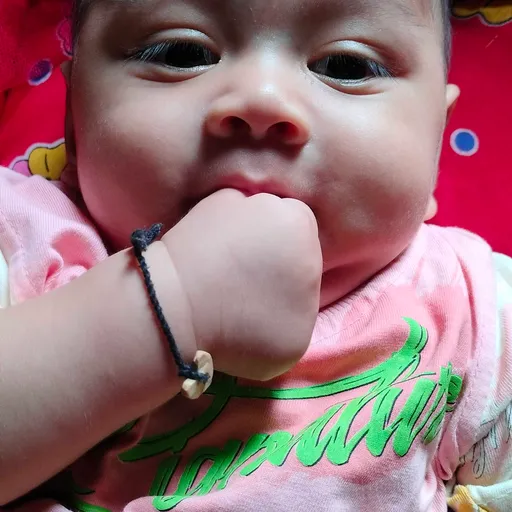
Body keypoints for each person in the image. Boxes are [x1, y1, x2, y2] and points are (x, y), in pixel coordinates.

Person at [1, 0, 511, 510]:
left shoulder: (476, 308)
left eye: (347, 66)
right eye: (181, 53)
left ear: (435, 144)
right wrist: (173, 303)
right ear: (75, 122)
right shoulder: (28, 240)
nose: (262, 101)